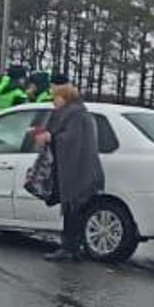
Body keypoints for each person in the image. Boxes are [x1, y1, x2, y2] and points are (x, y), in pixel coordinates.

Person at [41, 83, 103, 262]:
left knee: (73, 209)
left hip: (76, 170)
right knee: (74, 209)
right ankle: (72, 246)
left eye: (56, 97)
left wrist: (51, 137)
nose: (54, 101)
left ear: (64, 98)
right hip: (79, 168)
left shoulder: (74, 115)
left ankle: (69, 247)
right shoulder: (79, 113)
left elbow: (72, 140)